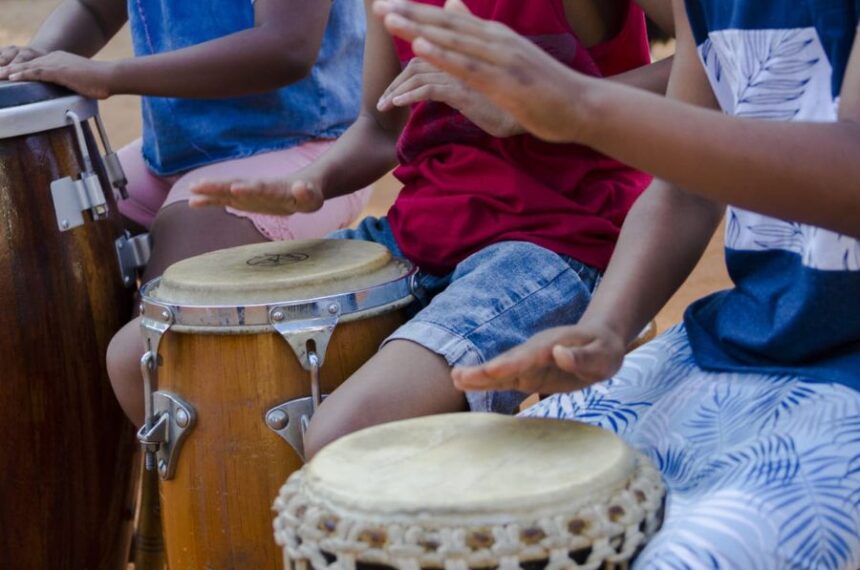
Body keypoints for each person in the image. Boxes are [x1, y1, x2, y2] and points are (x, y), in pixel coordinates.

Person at [374, 0, 860, 566]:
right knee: (469, 511)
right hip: (747, 340)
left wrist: (580, 105)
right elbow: (683, 189)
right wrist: (605, 327)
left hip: (841, 369)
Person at [190, 0, 676, 458]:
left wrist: (552, 105)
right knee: (158, 358)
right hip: (419, 232)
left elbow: (713, 65)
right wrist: (311, 181)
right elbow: (381, 128)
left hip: (556, 241)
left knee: (342, 438)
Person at [0, 0, 370, 422]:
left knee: (159, 348)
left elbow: (286, 47)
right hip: (172, 154)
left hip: (306, 152)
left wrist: (109, 76)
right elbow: (95, 10)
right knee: (39, 254)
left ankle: (188, 480)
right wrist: (33, 62)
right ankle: (97, 478)